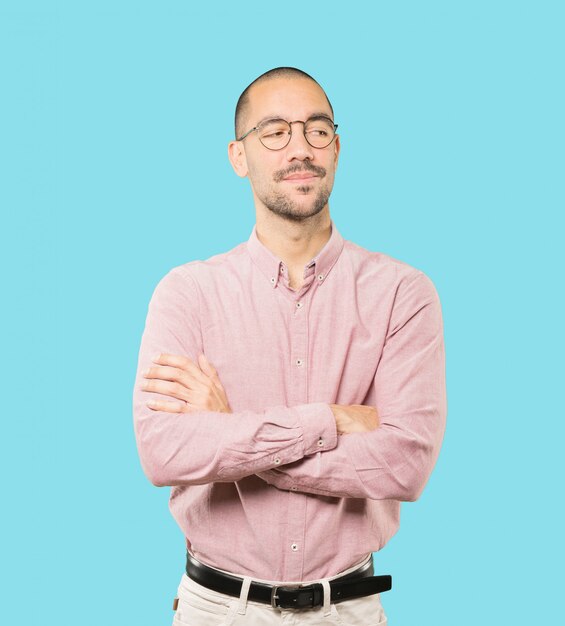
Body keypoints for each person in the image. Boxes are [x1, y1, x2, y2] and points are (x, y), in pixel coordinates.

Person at [133, 66, 447, 625]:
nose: (300, 149)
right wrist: (328, 419)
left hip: (347, 610)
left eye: (316, 130)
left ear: (337, 147)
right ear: (238, 156)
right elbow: (164, 454)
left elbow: (406, 464)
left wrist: (232, 433)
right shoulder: (187, 294)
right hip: (217, 611)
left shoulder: (403, 293)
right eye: (275, 131)